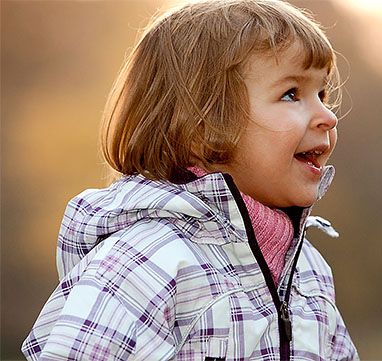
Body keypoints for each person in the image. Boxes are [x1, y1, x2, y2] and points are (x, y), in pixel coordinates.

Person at [22, 0, 358, 359]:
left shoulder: (308, 270)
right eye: (291, 94)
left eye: (322, 94)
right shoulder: (146, 263)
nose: (328, 116)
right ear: (202, 126)